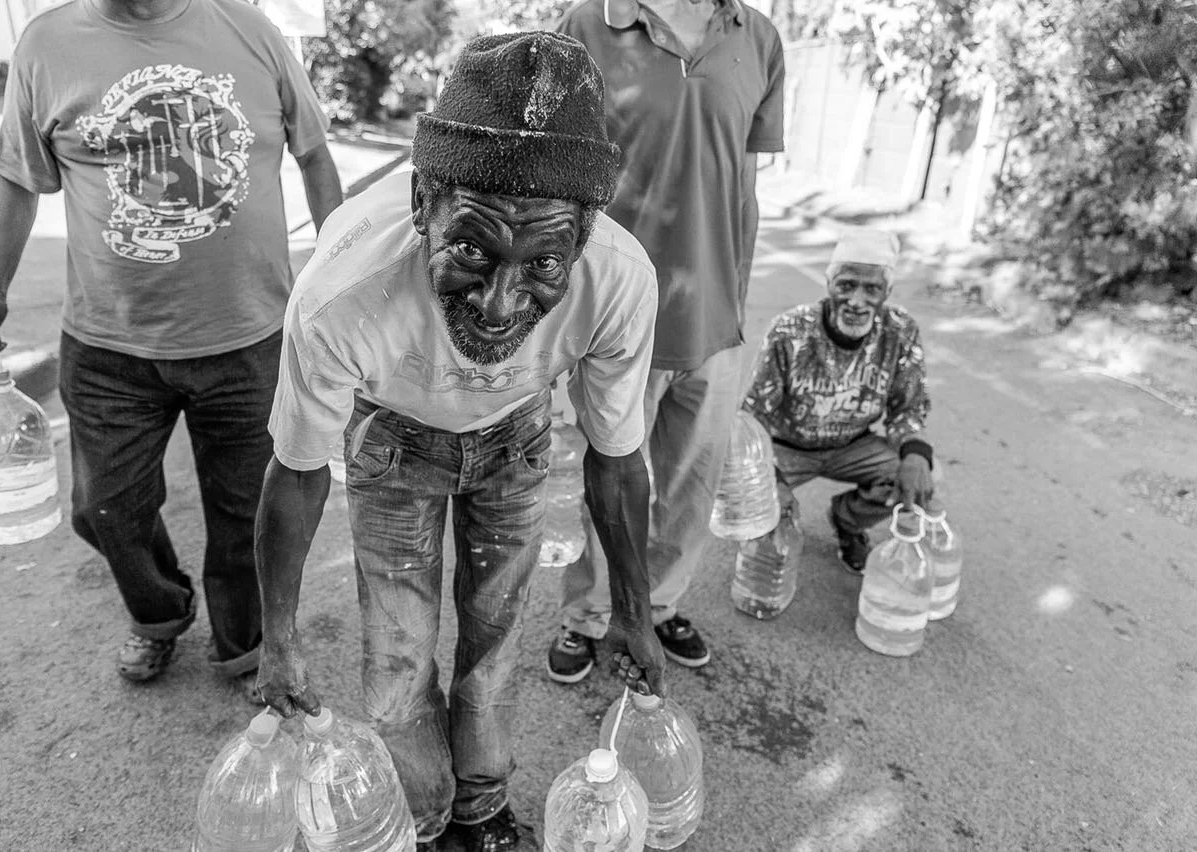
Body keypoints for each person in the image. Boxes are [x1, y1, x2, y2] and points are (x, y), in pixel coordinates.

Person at [253, 32, 668, 852]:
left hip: (515, 440)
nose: (500, 303)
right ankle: (426, 818)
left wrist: (632, 613)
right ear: (420, 202)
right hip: (394, 446)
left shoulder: (620, 282)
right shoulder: (342, 295)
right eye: (472, 249)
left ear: (585, 236)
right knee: (399, 659)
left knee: (495, 643)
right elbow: (296, 471)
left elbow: (617, 459)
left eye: (544, 263)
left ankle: (478, 811)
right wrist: (278, 638)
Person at [0, 0, 343, 701]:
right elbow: (14, 177)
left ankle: (244, 643)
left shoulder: (251, 32)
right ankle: (159, 611)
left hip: (248, 337)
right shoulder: (48, 44)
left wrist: (336, 271)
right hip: (108, 347)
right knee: (105, 506)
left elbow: (313, 153)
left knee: (247, 511)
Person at [547, 0, 787, 682]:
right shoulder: (589, 25)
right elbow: (556, 175)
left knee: (689, 485)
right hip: (614, 316)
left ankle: (657, 606)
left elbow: (745, 183)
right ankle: (590, 615)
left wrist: (735, 305)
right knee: (611, 478)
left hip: (714, 317)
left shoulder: (758, 38)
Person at [742, 228, 935, 571]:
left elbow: (908, 408)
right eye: (846, 285)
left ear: (887, 292)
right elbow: (753, 415)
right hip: (787, 448)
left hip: (853, 446)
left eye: (872, 289)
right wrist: (769, 479)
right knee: (736, 483)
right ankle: (771, 521)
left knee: (917, 474)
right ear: (829, 284)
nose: (857, 301)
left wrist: (917, 452)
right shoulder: (789, 330)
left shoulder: (901, 330)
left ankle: (847, 521)